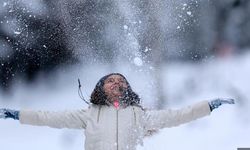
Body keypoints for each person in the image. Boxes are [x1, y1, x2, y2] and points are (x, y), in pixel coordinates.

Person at [0, 73, 235, 150]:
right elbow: (48, 117)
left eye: (121, 81)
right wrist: (16, 114)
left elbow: (176, 116)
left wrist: (208, 106)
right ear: (100, 88)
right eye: (110, 80)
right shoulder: (89, 114)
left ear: (127, 88)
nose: (116, 83)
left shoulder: (138, 115)